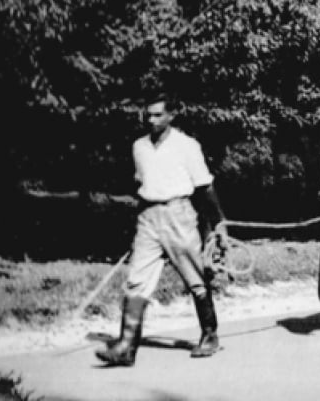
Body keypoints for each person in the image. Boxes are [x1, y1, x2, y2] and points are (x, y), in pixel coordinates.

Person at [96, 92, 228, 367]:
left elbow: (205, 187)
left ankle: (209, 334)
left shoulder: (187, 145)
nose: (151, 120)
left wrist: (218, 225)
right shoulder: (139, 147)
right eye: (148, 115)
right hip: (148, 217)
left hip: (178, 215)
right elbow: (138, 182)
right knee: (136, 280)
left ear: (171, 116)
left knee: (195, 277)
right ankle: (126, 347)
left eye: (158, 115)